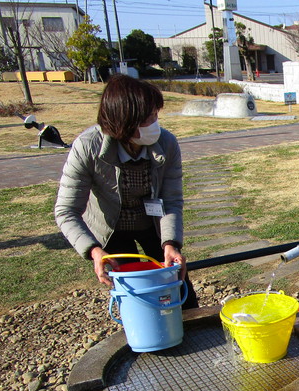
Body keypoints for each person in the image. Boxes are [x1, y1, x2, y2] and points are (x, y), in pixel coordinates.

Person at [55, 74, 197, 309]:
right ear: (126, 122)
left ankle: (191, 331)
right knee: (134, 293)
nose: (156, 123)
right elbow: (66, 211)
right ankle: (147, 339)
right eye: (149, 118)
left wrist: (171, 243)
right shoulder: (87, 147)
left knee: (179, 286)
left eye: (156, 115)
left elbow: (171, 201)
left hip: (153, 222)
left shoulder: (167, 143)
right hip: (111, 227)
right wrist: (94, 251)